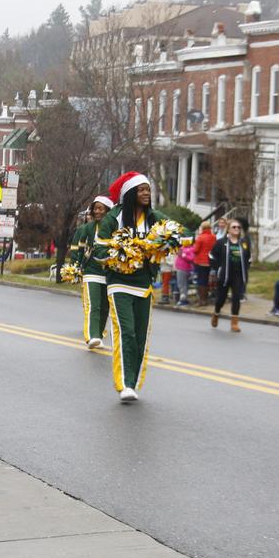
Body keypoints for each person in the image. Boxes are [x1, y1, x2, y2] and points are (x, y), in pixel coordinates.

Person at [92, 172, 171, 402]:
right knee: (125, 331)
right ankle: (125, 383)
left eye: (148, 189)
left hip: (144, 285)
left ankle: (133, 383)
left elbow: (181, 232)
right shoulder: (114, 218)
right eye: (141, 190)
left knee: (140, 336)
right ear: (130, 194)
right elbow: (99, 250)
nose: (146, 193)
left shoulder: (154, 217)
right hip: (118, 284)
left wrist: (166, 240)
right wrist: (121, 253)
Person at [69, 195, 113, 348]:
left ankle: (99, 335)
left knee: (105, 307)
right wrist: (75, 266)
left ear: (108, 211)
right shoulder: (87, 228)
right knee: (93, 305)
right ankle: (91, 336)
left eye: (101, 209)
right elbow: (78, 249)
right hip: (91, 272)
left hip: (109, 273)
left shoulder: (116, 228)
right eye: (95, 208)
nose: (98, 211)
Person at [209, 219, 251, 332]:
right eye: (234, 227)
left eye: (238, 227)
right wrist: (218, 268)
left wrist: (246, 269)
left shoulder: (244, 243)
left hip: (238, 275)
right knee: (221, 299)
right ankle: (216, 313)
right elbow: (212, 256)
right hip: (224, 275)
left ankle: (234, 323)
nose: (237, 229)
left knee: (236, 298)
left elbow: (249, 258)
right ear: (228, 229)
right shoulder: (221, 242)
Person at [191, 221, 216, 306]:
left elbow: (195, 250)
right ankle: (205, 299)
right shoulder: (213, 237)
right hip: (209, 261)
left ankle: (201, 300)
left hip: (200, 261)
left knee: (200, 281)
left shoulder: (200, 237)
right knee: (206, 280)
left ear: (202, 228)